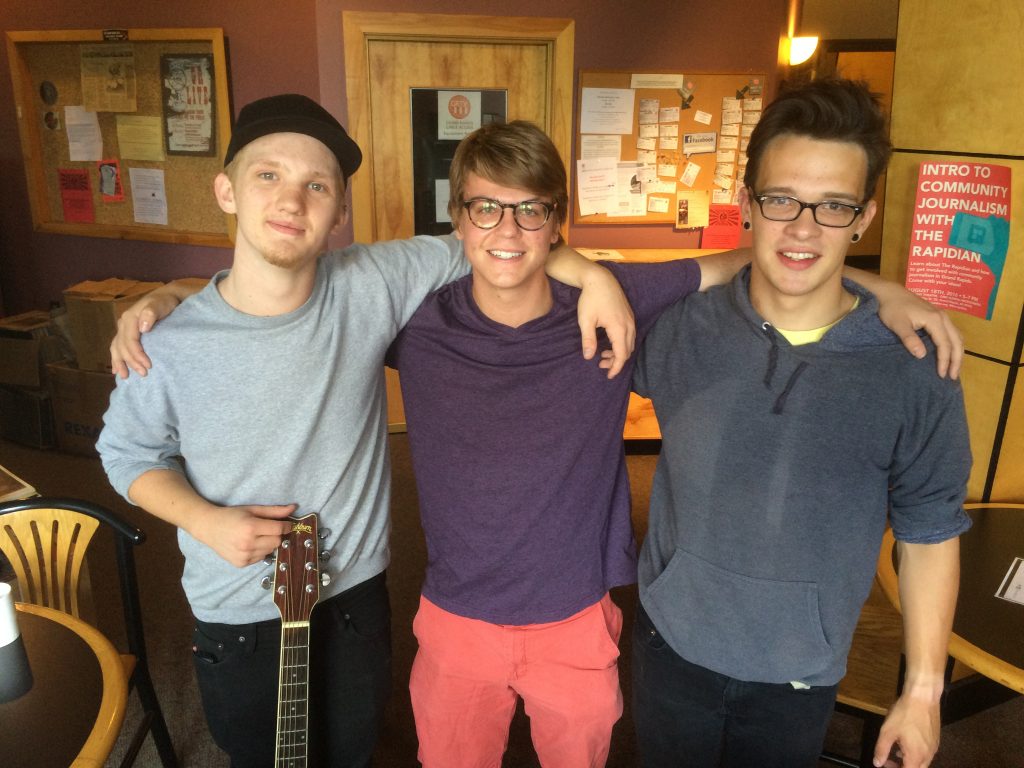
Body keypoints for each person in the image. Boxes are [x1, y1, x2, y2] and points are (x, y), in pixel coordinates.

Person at [108, 106, 964, 767]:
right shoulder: (413, 315)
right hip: (452, 620)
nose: (507, 233)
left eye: (531, 213)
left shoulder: (616, 307)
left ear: (559, 219)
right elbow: (275, 286)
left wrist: (887, 290)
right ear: (459, 219)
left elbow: (758, 256)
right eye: (486, 210)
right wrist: (171, 298)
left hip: (576, 623)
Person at [97, 93, 634, 768]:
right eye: (269, 176)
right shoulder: (167, 341)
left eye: (315, 185)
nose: (292, 201)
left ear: (337, 212)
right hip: (237, 611)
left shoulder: (372, 283)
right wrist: (203, 519)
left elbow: (505, 236)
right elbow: (124, 452)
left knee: (353, 750)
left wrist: (594, 276)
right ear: (226, 189)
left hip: (353, 596)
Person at [630, 78, 972, 768]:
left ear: (864, 216)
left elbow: (929, 532)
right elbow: (555, 300)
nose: (804, 228)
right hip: (670, 647)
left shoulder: (912, 366)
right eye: (782, 198)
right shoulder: (677, 329)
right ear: (748, 203)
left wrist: (924, 693)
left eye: (834, 206)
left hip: (800, 673)